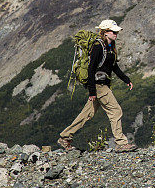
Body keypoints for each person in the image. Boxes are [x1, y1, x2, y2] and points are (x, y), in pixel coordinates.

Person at [58, 19, 138, 153]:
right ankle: (121, 143)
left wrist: (126, 80)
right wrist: (92, 92)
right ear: (105, 32)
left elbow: (114, 67)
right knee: (116, 111)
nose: (116, 34)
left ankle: (65, 137)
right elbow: (91, 69)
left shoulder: (111, 47)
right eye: (114, 32)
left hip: (102, 85)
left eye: (116, 32)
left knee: (87, 114)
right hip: (99, 85)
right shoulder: (98, 46)